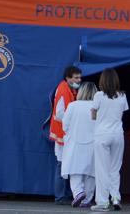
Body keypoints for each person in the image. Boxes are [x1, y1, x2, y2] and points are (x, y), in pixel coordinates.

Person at [91, 69, 129, 211]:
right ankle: (115, 197)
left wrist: (98, 116)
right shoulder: (122, 95)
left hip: (102, 134)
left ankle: (102, 202)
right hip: (118, 134)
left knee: (102, 169)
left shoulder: (98, 95)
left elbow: (93, 114)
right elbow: (122, 113)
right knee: (115, 168)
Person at [61, 81, 98, 208]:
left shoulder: (72, 106)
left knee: (75, 171)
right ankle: (87, 199)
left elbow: (65, 126)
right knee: (91, 173)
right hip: (93, 143)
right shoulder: (97, 106)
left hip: (75, 143)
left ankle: (78, 192)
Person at [50, 65, 83, 204]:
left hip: (66, 134)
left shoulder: (69, 89)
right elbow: (59, 114)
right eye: (76, 77)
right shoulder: (64, 90)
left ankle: (65, 195)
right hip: (62, 134)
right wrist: (73, 121)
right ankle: (60, 197)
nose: (79, 80)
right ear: (68, 78)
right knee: (61, 165)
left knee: (66, 165)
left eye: (80, 77)